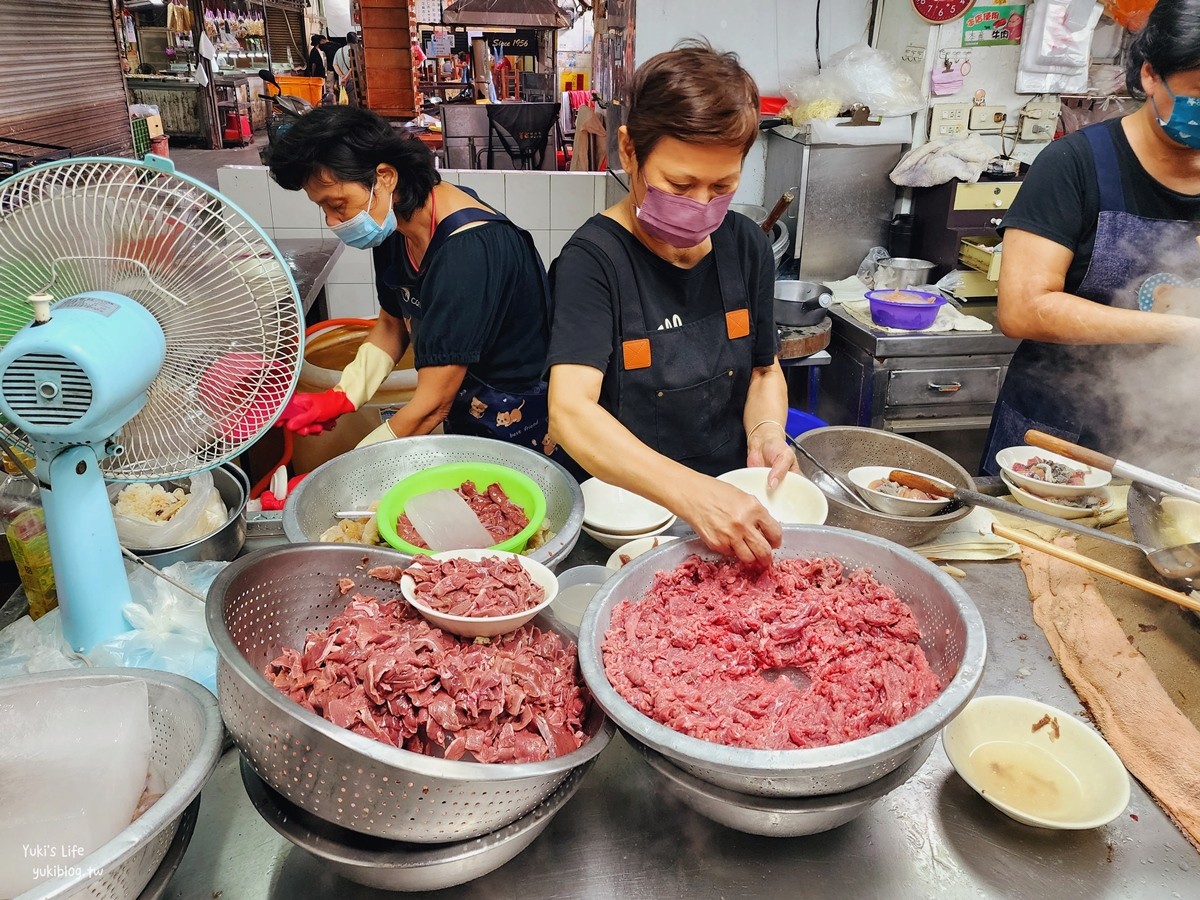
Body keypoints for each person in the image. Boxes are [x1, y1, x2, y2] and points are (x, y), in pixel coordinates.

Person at [546, 41, 795, 566]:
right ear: (629, 150)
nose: (701, 205)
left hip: (732, 511)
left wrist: (767, 433)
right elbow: (571, 412)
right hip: (624, 525)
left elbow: (763, 373)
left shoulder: (746, 245)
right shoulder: (592, 262)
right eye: (680, 184)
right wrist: (694, 497)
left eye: (722, 185)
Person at [266, 106, 568, 460]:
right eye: (324, 209)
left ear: (385, 177)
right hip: (465, 406)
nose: (333, 221)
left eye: (338, 205)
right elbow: (393, 324)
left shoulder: (468, 251)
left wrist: (348, 472)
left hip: (516, 421)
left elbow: (431, 405)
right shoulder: (396, 223)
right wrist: (344, 394)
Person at [981, 0, 1200, 474]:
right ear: (1149, 75)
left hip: (1181, 441)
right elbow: (1022, 309)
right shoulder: (1076, 166)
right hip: (1059, 436)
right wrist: (1184, 331)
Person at [332, 31, 360, 106]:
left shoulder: (339, 51)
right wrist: (346, 77)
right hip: (353, 82)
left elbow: (335, 65)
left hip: (342, 83)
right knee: (353, 104)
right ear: (356, 40)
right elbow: (353, 68)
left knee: (344, 103)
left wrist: (342, 76)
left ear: (346, 40)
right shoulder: (356, 51)